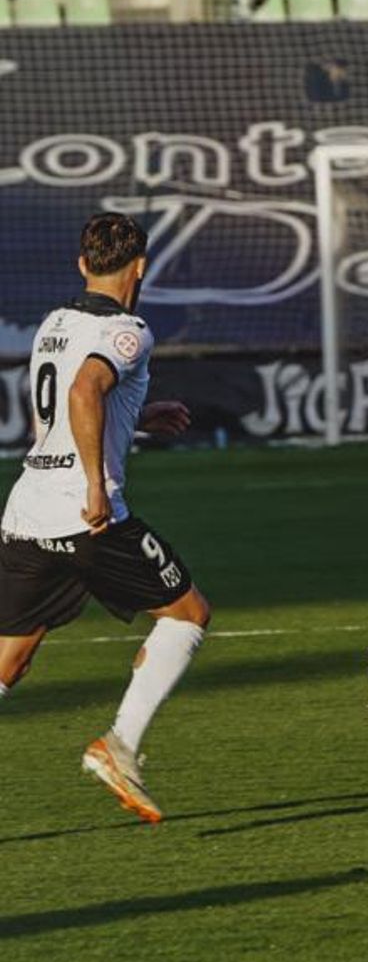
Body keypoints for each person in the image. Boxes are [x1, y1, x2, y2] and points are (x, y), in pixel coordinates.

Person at [0, 213, 210, 824]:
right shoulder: (129, 331)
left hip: (28, 510)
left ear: (83, 264)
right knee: (188, 615)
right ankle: (117, 747)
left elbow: (68, 405)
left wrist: (138, 416)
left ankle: (118, 747)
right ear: (140, 266)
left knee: (9, 661)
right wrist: (95, 484)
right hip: (87, 516)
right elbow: (84, 392)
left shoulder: (55, 322)